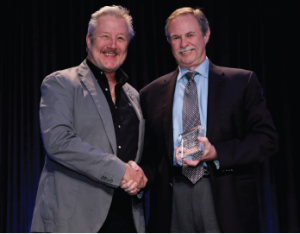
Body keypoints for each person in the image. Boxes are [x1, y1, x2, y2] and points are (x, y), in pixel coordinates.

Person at [138, 7, 278, 233]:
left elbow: (266, 140)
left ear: (206, 35)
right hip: (173, 200)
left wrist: (216, 152)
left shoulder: (241, 82)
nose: (184, 43)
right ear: (169, 42)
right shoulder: (150, 93)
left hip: (225, 196)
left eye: (190, 34)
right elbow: (149, 155)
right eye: (176, 37)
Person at [31, 5, 147, 233]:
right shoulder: (60, 83)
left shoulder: (135, 96)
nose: (112, 45)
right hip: (73, 222)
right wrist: (120, 170)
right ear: (88, 40)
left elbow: (137, 157)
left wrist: (140, 180)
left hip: (127, 221)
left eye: (120, 38)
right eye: (105, 36)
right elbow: (59, 142)